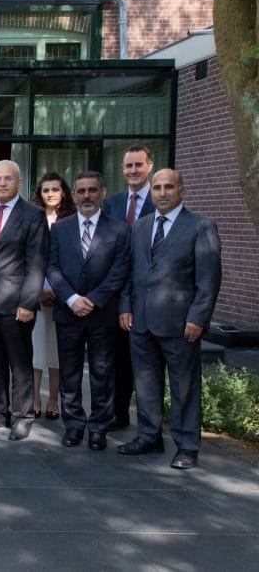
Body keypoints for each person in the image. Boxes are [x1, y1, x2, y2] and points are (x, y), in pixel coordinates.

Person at [118, 169, 221, 470]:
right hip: (142, 321)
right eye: (158, 188)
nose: (162, 193)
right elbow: (130, 272)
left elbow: (209, 279)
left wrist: (198, 317)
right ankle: (149, 436)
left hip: (180, 324)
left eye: (169, 187)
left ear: (181, 191)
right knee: (146, 384)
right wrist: (125, 306)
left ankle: (187, 445)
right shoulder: (139, 226)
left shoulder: (200, 227)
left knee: (184, 386)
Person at [47, 171, 131, 450]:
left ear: (102, 192)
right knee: (69, 372)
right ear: (73, 194)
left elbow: (120, 270)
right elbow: (52, 266)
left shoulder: (119, 229)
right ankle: (73, 425)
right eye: (81, 191)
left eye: (92, 190)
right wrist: (71, 298)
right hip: (68, 312)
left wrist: (93, 299)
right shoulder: (60, 228)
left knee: (102, 372)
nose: (86, 196)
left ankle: (98, 428)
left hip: (102, 313)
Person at [0, 160, 48, 441]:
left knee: (20, 362)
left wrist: (28, 302)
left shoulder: (33, 215)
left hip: (17, 304)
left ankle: (23, 415)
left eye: (8, 179)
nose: (2, 183)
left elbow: (36, 263)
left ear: (18, 182)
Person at [102, 145, 156, 428]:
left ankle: (150, 426)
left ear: (149, 166)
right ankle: (118, 413)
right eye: (128, 166)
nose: (133, 171)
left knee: (146, 367)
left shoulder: (159, 201)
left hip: (150, 297)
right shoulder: (112, 203)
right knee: (117, 360)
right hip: (115, 294)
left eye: (138, 165)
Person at [29, 172, 76, 420]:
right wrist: (37, 291)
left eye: (55, 190)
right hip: (38, 294)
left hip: (62, 296)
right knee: (37, 350)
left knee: (57, 352)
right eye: (45, 190)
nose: (50, 194)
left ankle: (54, 400)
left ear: (64, 192)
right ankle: (35, 397)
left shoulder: (72, 220)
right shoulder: (34, 218)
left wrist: (60, 292)